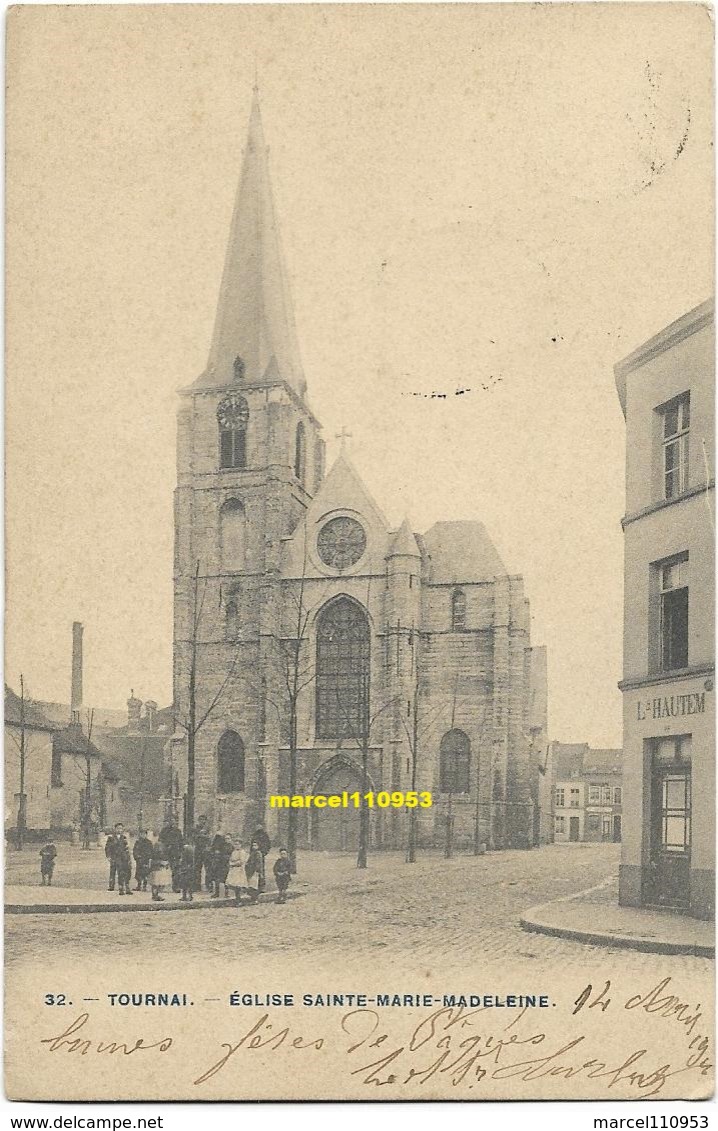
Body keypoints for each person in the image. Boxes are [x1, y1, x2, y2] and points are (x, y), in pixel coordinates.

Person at [159, 817, 183, 893]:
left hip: (175, 854)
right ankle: (161, 886)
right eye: (171, 821)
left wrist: (180, 852)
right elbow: (160, 841)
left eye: (174, 821)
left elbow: (181, 843)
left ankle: (176, 886)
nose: (173, 823)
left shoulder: (178, 831)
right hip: (166, 853)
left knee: (176, 870)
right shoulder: (164, 831)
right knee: (163, 869)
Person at [209, 832, 233, 899]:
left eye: (228, 838)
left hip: (227, 865)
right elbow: (217, 852)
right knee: (217, 879)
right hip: (220, 864)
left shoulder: (232, 847)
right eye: (226, 838)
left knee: (226, 880)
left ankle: (226, 893)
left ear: (231, 839)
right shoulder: (222, 845)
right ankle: (217, 893)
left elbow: (232, 856)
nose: (227, 840)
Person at [149, 833, 171, 903]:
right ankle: (155, 895)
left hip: (161, 865)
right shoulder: (158, 845)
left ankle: (156, 895)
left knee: (159, 882)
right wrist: (161, 862)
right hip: (157, 865)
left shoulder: (164, 845)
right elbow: (156, 856)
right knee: (156, 882)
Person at [104, 823, 126, 891]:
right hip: (113, 857)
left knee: (121, 872)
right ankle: (111, 885)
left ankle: (121, 885)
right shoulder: (111, 838)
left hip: (121, 858)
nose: (119, 830)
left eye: (121, 828)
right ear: (115, 829)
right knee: (112, 872)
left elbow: (125, 848)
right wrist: (108, 856)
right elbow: (107, 848)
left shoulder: (124, 838)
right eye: (118, 828)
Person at [192, 816, 211, 893]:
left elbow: (209, 838)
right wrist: (202, 835)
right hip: (198, 850)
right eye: (201, 820)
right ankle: (197, 886)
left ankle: (208, 885)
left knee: (208, 868)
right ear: (198, 820)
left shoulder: (208, 828)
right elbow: (194, 837)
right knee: (197, 869)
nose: (202, 821)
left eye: (204, 820)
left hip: (205, 850)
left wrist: (201, 836)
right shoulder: (195, 828)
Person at [245, 839, 264, 903]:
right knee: (251, 885)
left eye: (255, 845)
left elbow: (259, 863)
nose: (254, 847)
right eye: (253, 845)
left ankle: (255, 899)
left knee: (254, 885)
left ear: (258, 846)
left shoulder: (258, 853)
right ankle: (252, 898)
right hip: (250, 870)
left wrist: (257, 870)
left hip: (255, 871)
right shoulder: (252, 853)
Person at [116, 831, 133, 896]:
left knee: (128, 874)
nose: (126, 842)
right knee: (121, 874)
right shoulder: (120, 849)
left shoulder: (127, 849)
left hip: (127, 861)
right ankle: (121, 888)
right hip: (120, 861)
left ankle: (127, 888)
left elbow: (129, 855)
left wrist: (130, 861)